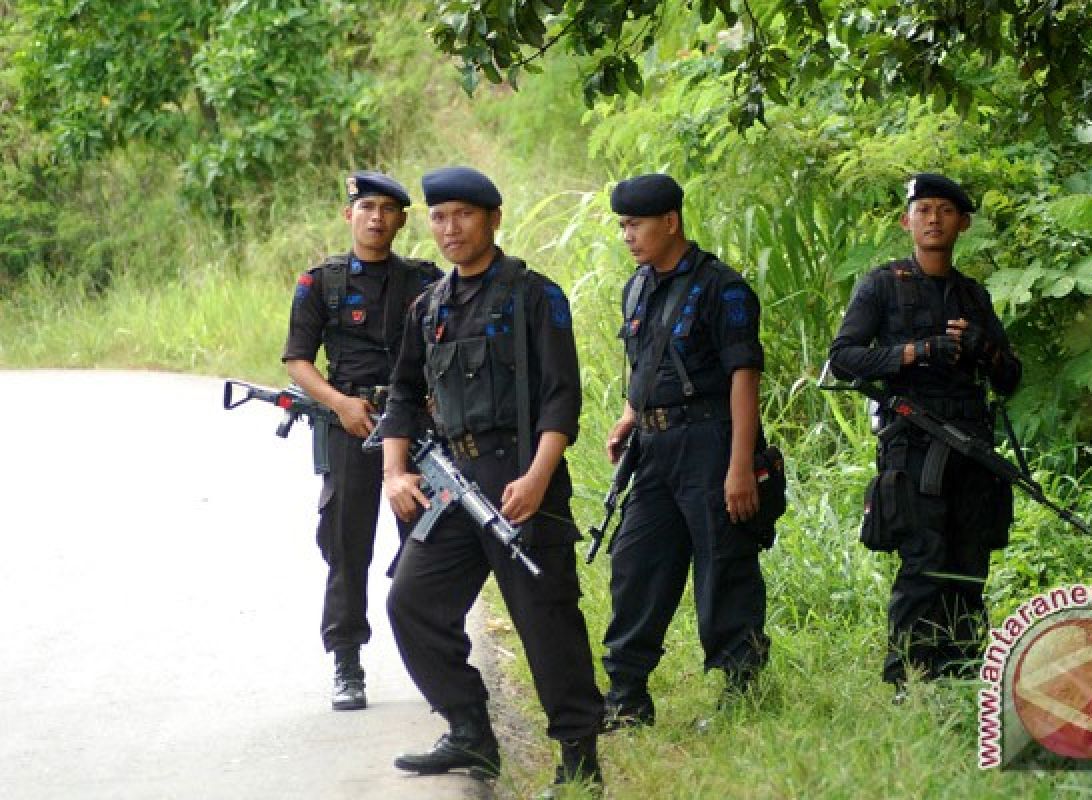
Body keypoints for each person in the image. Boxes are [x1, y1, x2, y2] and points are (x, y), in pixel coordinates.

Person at [379, 166, 605, 795]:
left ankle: (580, 759)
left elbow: (563, 398)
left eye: (463, 215)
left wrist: (538, 478)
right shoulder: (429, 306)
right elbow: (402, 394)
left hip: (522, 477)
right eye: (439, 216)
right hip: (451, 482)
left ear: (493, 219)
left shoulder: (535, 296)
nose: (450, 229)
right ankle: (471, 732)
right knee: (412, 603)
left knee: (546, 618)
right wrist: (394, 473)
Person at [827, 173, 1022, 701]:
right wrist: (916, 352)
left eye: (945, 210)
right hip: (913, 442)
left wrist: (984, 348)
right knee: (923, 561)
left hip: (972, 447)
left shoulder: (973, 295)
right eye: (923, 209)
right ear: (906, 221)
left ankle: (962, 675)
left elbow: (1010, 379)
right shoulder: (882, 284)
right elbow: (842, 359)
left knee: (969, 563)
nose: (933, 218)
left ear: (963, 223)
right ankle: (909, 681)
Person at [600, 173, 771, 732]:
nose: (627, 235)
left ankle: (741, 690)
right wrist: (630, 415)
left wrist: (740, 465)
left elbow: (744, 378)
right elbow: (647, 361)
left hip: (712, 442)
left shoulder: (723, 288)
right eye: (623, 225)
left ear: (670, 221)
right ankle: (626, 696)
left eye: (636, 224)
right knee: (635, 565)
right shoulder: (640, 285)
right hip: (654, 447)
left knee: (724, 567)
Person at [282, 171, 440, 711]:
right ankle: (346, 662)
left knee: (427, 542)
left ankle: (439, 660)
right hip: (350, 426)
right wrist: (340, 404)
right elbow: (298, 361)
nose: (376, 217)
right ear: (349, 214)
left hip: (411, 426)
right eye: (366, 207)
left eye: (387, 209)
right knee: (348, 548)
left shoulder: (424, 280)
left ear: (400, 220)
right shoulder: (319, 283)